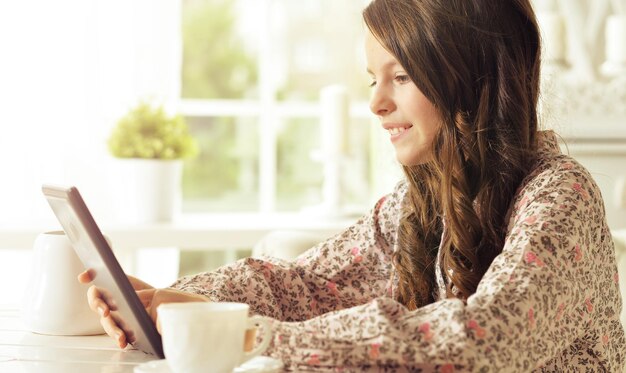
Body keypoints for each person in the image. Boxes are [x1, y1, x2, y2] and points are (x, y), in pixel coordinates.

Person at [79, 0, 626, 371]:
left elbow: (484, 339)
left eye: (402, 77)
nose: (375, 102)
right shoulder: (422, 201)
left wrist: (247, 338)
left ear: (470, 78)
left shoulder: (560, 198)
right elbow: (306, 284)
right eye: (373, 78)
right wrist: (178, 301)